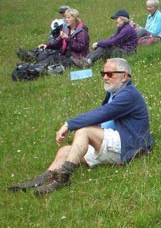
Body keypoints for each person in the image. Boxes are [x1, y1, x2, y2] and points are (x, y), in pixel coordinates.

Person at [8, 58, 153, 195]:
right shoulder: (114, 92)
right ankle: (43, 179)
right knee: (65, 150)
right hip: (113, 142)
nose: (105, 77)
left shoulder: (129, 94)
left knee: (84, 131)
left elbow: (103, 113)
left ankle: (63, 178)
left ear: (124, 77)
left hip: (128, 145)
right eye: (103, 73)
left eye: (110, 74)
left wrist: (68, 124)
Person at [23, 8, 89, 69]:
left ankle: (34, 68)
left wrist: (68, 39)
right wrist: (47, 45)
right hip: (66, 55)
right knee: (50, 58)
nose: (66, 19)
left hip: (77, 59)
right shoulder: (66, 29)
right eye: (65, 18)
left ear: (74, 19)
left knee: (53, 61)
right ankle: (31, 66)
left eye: (68, 18)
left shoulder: (82, 32)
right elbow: (57, 41)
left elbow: (80, 48)